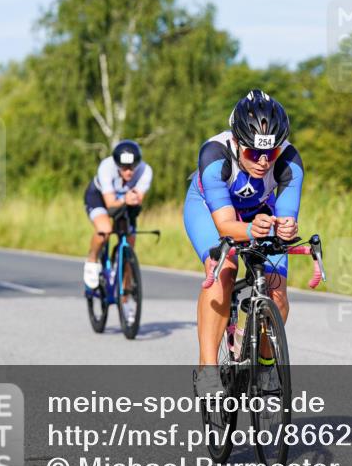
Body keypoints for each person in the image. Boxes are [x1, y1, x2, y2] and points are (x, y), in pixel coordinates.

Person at [183, 90, 304, 396]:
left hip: (259, 211)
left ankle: (263, 363)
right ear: (236, 143)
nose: (264, 162)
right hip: (211, 210)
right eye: (253, 154)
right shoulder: (214, 155)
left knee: (276, 290)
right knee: (223, 268)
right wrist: (250, 229)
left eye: (271, 153)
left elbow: (285, 216)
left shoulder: (290, 161)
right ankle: (208, 368)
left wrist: (286, 228)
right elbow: (224, 225)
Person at [83, 140, 153, 321]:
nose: (129, 171)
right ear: (116, 165)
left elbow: (137, 201)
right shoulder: (106, 167)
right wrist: (126, 199)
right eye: (124, 168)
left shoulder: (146, 171)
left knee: (130, 242)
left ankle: (125, 296)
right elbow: (110, 204)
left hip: (124, 204)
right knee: (105, 229)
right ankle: (92, 260)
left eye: (132, 167)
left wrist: (131, 201)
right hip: (99, 198)